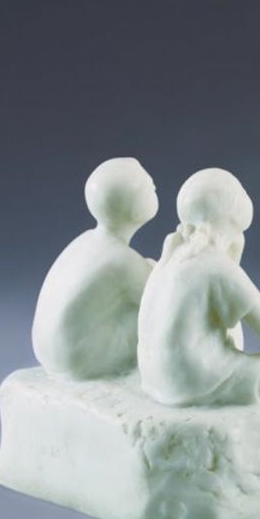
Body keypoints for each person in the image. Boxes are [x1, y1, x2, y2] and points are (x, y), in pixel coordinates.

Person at [138, 168, 260, 407]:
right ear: (235, 215)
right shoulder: (218, 266)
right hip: (195, 383)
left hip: (154, 380)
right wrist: (234, 266)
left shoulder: (170, 256)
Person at [32, 157, 158, 379]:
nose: (155, 187)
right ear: (136, 211)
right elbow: (159, 297)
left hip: (45, 349)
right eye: (150, 187)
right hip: (77, 360)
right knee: (153, 323)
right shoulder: (122, 261)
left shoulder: (85, 239)